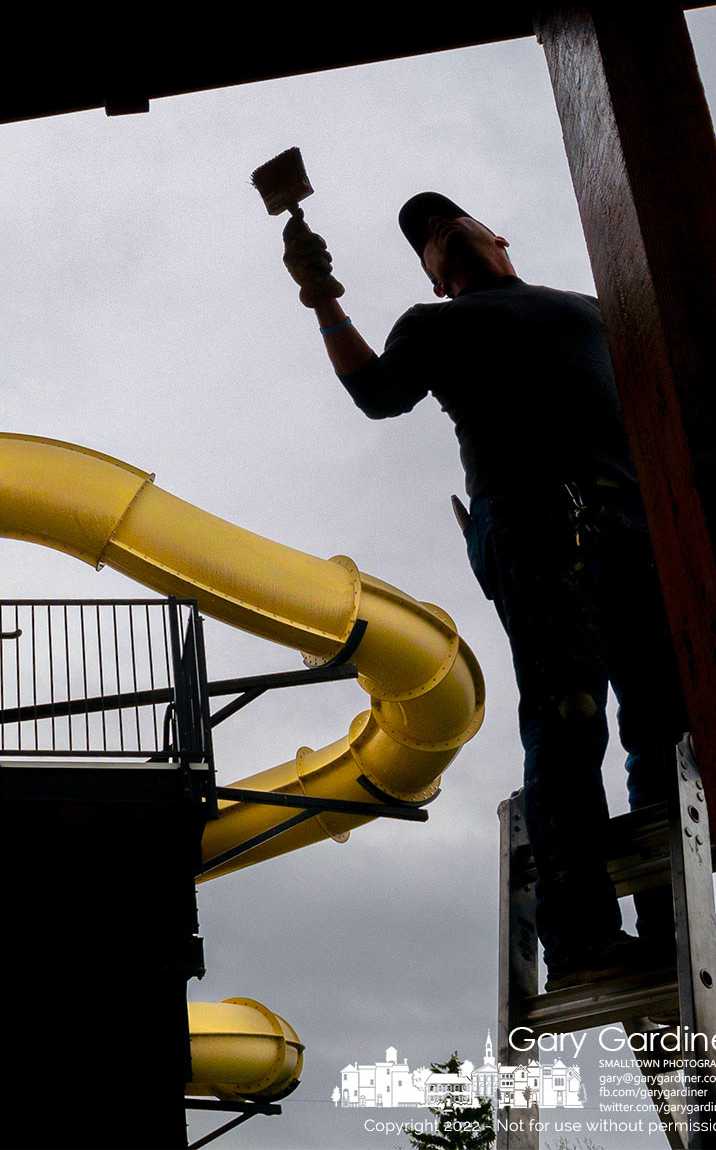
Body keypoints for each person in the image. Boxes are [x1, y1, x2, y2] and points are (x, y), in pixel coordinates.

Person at [280, 192, 691, 991]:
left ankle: (674, 928)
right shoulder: (435, 327)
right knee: (569, 711)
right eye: (425, 242)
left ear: (497, 234)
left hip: (636, 520)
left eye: (445, 220)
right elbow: (376, 393)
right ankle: (582, 937)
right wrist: (320, 293)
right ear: (435, 282)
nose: (437, 234)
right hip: (532, 520)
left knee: (664, 729)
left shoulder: (592, 309)